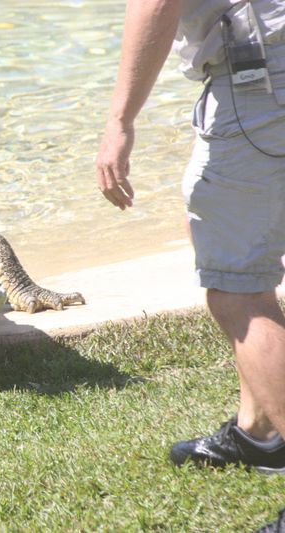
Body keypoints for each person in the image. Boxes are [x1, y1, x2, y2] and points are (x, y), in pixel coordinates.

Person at [95, 0, 285, 530]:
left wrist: (119, 121)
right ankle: (261, 434)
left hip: (262, 83)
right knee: (241, 266)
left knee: (238, 291)